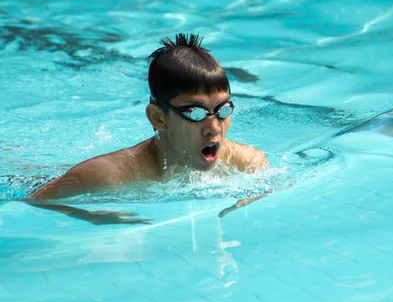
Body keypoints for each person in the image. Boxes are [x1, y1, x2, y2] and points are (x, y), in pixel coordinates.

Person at [24, 33, 270, 224]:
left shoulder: (248, 164)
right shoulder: (104, 177)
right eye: (195, 113)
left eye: (223, 110)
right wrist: (85, 215)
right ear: (158, 118)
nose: (213, 128)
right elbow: (30, 203)